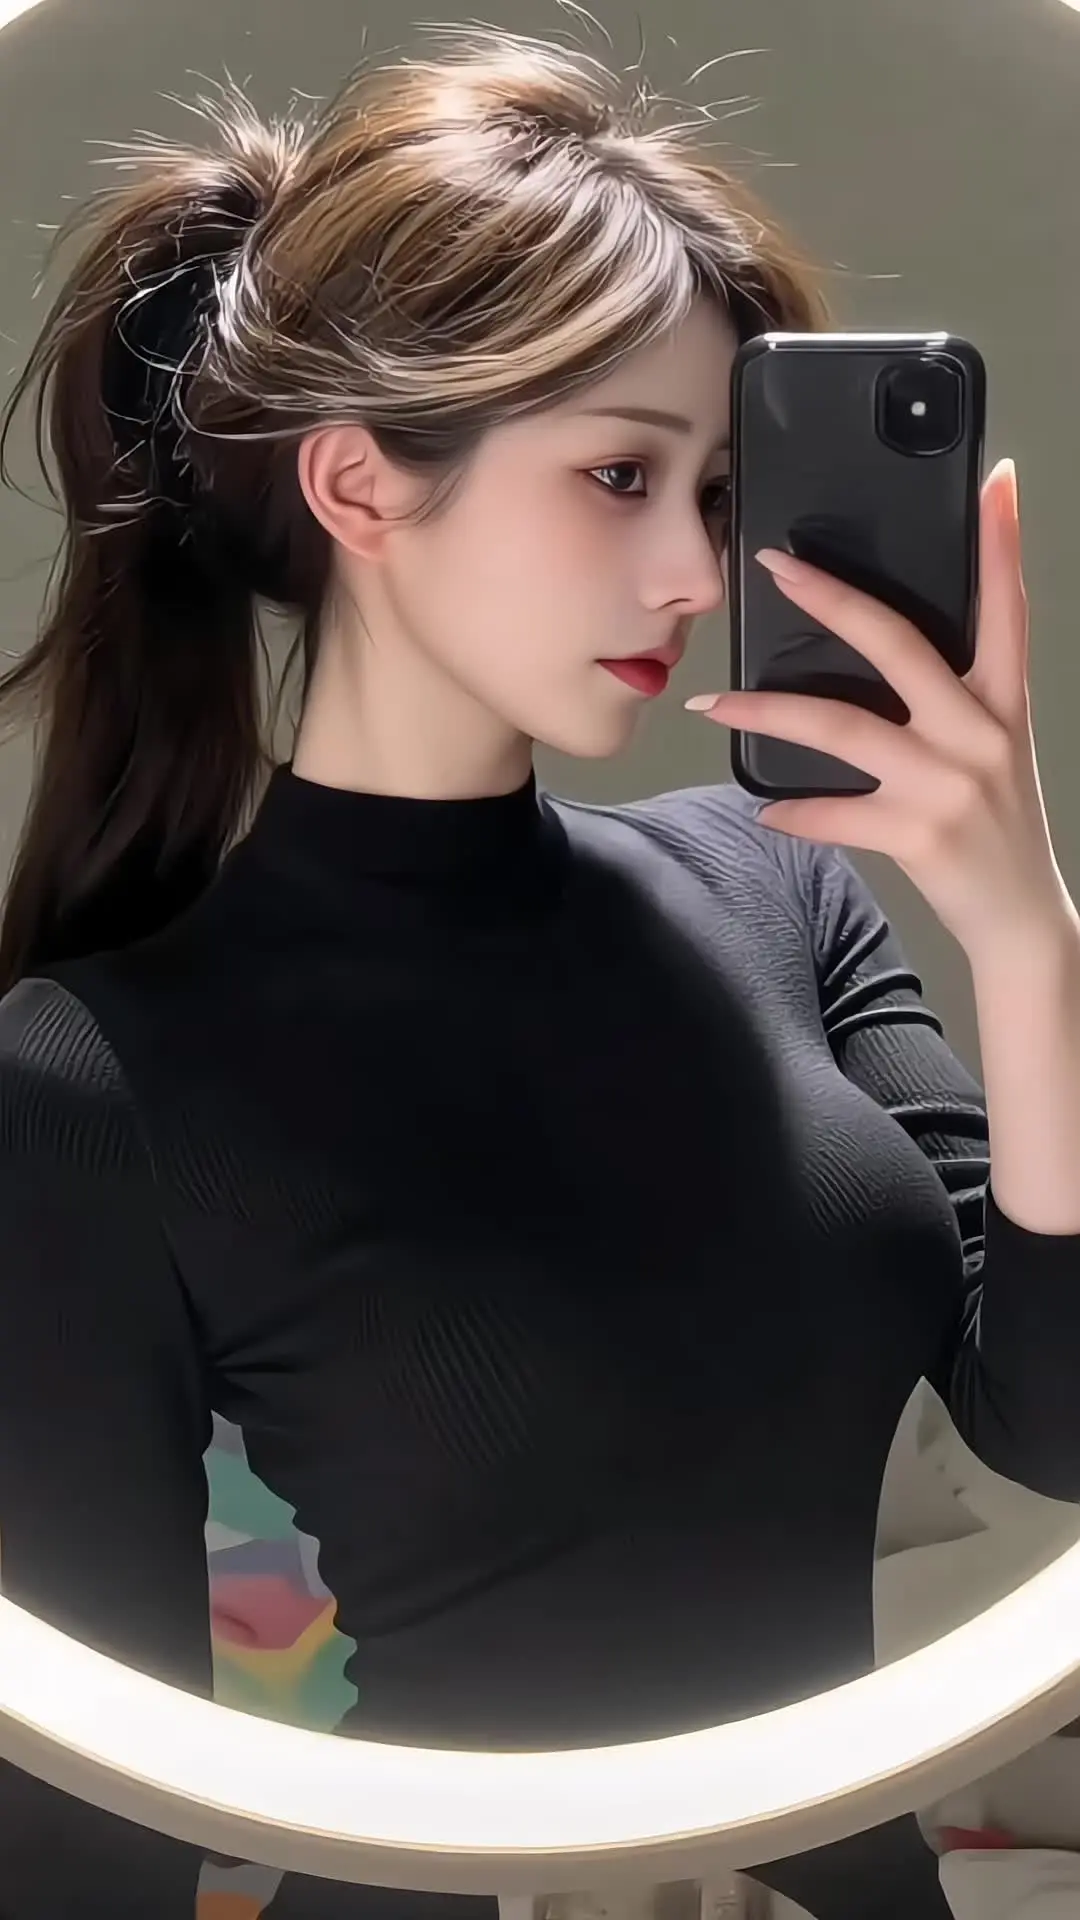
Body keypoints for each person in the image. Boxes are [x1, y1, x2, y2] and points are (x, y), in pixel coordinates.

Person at [0, 20, 1078, 1920]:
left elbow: (1056, 1422)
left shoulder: (780, 887)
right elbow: (92, 1807)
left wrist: (1025, 934)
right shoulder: (89, 1074)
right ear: (358, 488)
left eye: (720, 495)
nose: (694, 573)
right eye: (619, 474)